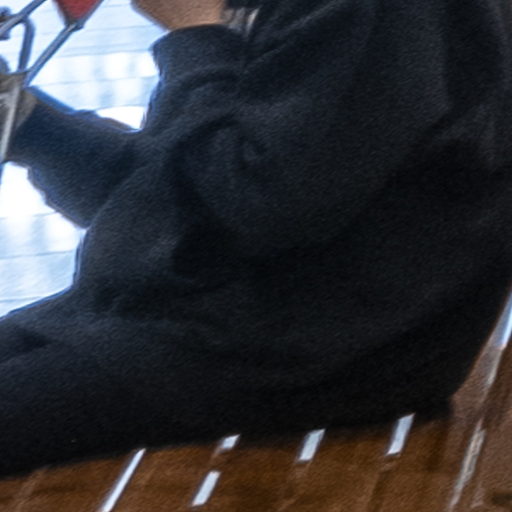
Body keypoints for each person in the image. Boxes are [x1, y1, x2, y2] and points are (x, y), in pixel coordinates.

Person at [0, 0, 510, 476]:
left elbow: (254, 208)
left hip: (297, 352)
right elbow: (182, 196)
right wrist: (30, 125)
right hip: (210, 319)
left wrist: (197, 35)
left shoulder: (372, 15)